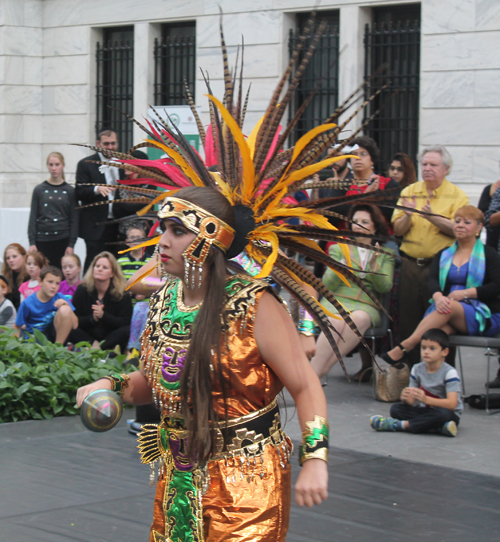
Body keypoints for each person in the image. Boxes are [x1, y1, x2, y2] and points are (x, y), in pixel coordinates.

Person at [76, 187, 329, 541]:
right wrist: (111, 384)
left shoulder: (255, 305)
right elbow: (158, 381)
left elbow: (304, 384)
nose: (162, 241)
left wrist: (315, 458)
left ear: (210, 239)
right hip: (179, 478)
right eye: (163, 229)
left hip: (246, 479)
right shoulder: (164, 299)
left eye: (177, 231)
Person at [383, 206, 500, 365]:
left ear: (479, 227)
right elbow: (433, 280)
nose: (460, 225)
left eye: (467, 222)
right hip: (446, 309)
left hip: (482, 314)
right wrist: (438, 297)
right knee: (435, 337)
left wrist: (465, 294)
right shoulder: (444, 253)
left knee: (449, 306)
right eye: (457, 221)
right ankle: (434, 385)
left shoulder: (489, 254)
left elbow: (496, 286)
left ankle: (406, 345)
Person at [391, 145, 469, 366]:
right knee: (408, 322)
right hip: (409, 265)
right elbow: (397, 230)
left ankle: (442, 377)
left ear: (446, 168)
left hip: (441, 268)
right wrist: (408, 215)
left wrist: (431, 216)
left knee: (439, 323)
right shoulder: (409, 191)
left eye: (433, 165)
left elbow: (459, 230)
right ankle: (410, 376)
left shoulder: (457, 196)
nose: (427, 169)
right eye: (424, 164)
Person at [309, 204, 395, 381]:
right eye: (355, 221)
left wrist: (375, 267)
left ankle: (314, 374)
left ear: (374, 226)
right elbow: (327, 285)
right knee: (336, 321)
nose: (358, 225)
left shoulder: (385, 254)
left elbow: (384, 287)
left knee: (359, 319)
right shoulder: (339, 248)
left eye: (364, 221)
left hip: (366, 304)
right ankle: (316, 373)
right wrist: (339, 267)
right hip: (338, 300)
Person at [370, 329, 462, 437]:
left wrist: (426, 399)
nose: (426, 352)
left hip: (447, 413)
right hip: (426, 411)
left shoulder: (450, 373)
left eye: (432, 348)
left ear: (444, 352)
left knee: (443, 415)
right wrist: (405, 398)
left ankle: (400, 425)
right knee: (396, 409)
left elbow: (452, 404)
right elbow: (411, 401)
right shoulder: (417, 369)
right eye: (423, 348)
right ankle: (438, 427)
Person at [75, 129, 124, 272]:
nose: (110, 147)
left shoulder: (122, 163)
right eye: (106, 144)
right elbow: (79, 192)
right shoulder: (86, 164)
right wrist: (96, 189)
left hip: (117, 225)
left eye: (113, 143)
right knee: (93, 264)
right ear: (98, 144)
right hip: (95, 227)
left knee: (115, 266)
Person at [68, 252, 132, 352]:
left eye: (105, 267)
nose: (99, 269)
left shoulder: (122, 293)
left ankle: (99, 349)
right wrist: (92, 318)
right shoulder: (82, 289)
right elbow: (75, 320)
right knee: (68, 327)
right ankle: (95, 346)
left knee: (127, 330)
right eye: (97, 266)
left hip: (110, 336)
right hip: (88, 335)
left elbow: (125, 322)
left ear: (112, 273)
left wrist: (104, 316)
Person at [28, 152, 78, 268]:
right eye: (51, 165)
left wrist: (71, 244)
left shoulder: (70, 191)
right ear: (47, 166)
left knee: (62, 273)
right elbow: (33, 217)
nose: (54, 168)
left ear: (63, 165)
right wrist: (32, 242)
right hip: (42, 238)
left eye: (57, 164)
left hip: (62, 239)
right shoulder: (39, 190)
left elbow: (74, 219)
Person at [14, 265, 77, 344]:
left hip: (54, 338)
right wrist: (15, 347)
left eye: (57, 283)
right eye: (50, 282)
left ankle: (58, 349)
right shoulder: (28, 303)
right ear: (40, 281)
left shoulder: (60, 297)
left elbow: (75, 325)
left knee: (65, 309)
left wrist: (67, 305)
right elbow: (17, 326)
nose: (54, 286)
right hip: (35, 340)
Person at [346, 136, 400, 224]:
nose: (358, 158)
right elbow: (334, 213)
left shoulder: (388, 184)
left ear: (372, 160)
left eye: (363, 154)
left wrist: (376, 196)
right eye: (354, 154)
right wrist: (365, 198)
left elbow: (394, 214)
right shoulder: (341, 185)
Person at [2, 243, 28, 310]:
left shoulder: (30, 276)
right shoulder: (6, 278)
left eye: (14, 256)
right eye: (8, 258)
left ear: (24, 257)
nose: (11, 260)